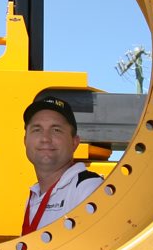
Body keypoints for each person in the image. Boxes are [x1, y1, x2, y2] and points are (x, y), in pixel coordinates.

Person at [21, 96, 103, 235]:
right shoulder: (34, 196)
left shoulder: (88, 188)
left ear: (74, 142)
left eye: (56, 130)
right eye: (37, 129)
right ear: (25, 141)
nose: (45, 138)